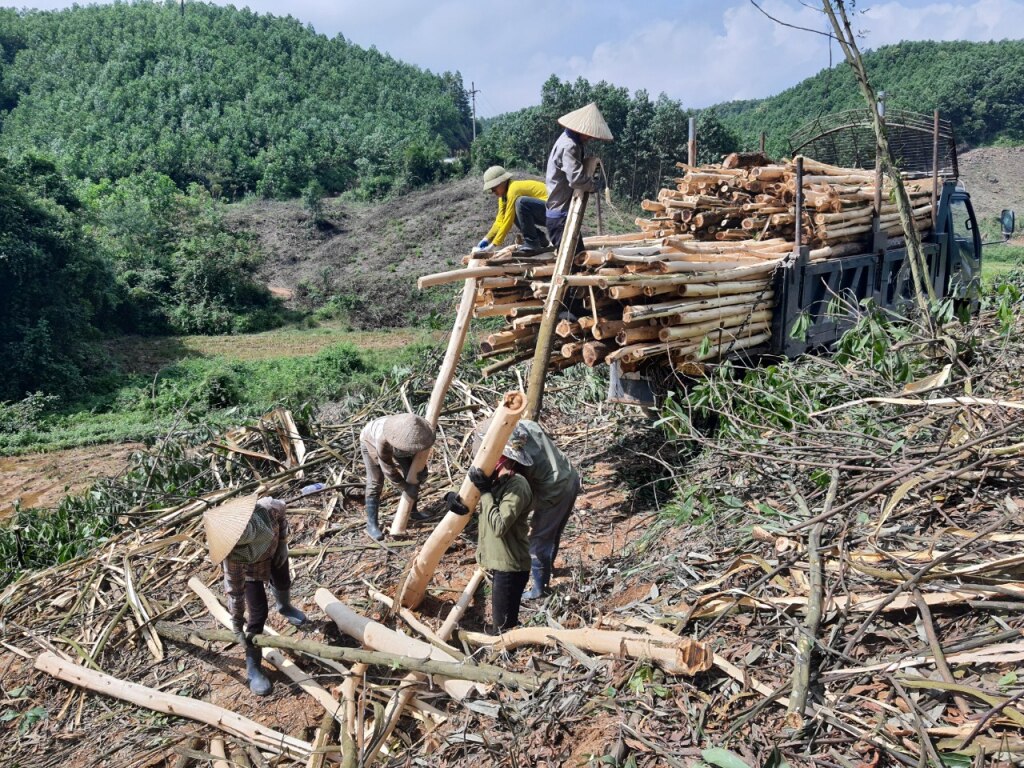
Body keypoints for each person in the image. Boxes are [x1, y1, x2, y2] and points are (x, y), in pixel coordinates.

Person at [204, 494, 308, 696]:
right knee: (258, 614)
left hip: (274, 548)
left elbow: (282, 515)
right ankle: (253, 666)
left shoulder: (268, 508)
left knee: (283, 580)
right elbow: (235, 591)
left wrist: (283, 543)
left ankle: (285, 607)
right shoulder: (234, 557)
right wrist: (236, 623)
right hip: (251, 571)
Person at [473, 418, 580, 600]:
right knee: (551, 533)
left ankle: (540, 590)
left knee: (538, 542)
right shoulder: (525, 427)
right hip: (569, 474)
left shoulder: (517, 462)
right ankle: (547, 567)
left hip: (555, 490)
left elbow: (511, 486)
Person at [452, 449, 534, 632]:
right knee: (504, 621)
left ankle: (505, 656)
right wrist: (452, 498)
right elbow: (473, 502)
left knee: (502, 629)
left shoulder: (517, 486)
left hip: (510, 567)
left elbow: (498, 525)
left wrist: (485, 492)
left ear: (508, 461)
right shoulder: (498, 482)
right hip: (498, 563)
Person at [545, 102, 614, 252]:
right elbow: (575, 179)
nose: (590, 138)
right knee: (576, 263)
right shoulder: (570, 146)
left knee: (577, 258)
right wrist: (594, 186)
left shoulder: (569, 140)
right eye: (588, 134)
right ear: (580, 129)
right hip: (560, 216)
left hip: (560, 214)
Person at [360, 413, 435, 541]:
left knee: (412, 472)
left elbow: (420, 456)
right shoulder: (382, 440)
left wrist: (422, 470)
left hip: (400, 443)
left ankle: (412, 511)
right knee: (375, 482)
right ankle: (371, 524)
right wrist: (405, 487)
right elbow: (388, 470)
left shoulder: (420, 430)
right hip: (370, 440)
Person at [473, 166, 550, 257]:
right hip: (545, 213)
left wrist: (493, 245)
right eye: (491, 189)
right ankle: (540, 239)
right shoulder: (503, 197)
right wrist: (486, 239)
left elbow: (508, 221)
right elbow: (500, 220)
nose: (493, 191)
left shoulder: (514, 189)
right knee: (516, 211)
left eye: (494, 187)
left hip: (553, 211)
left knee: (521, 203)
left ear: (503, 182)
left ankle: (532, 242)